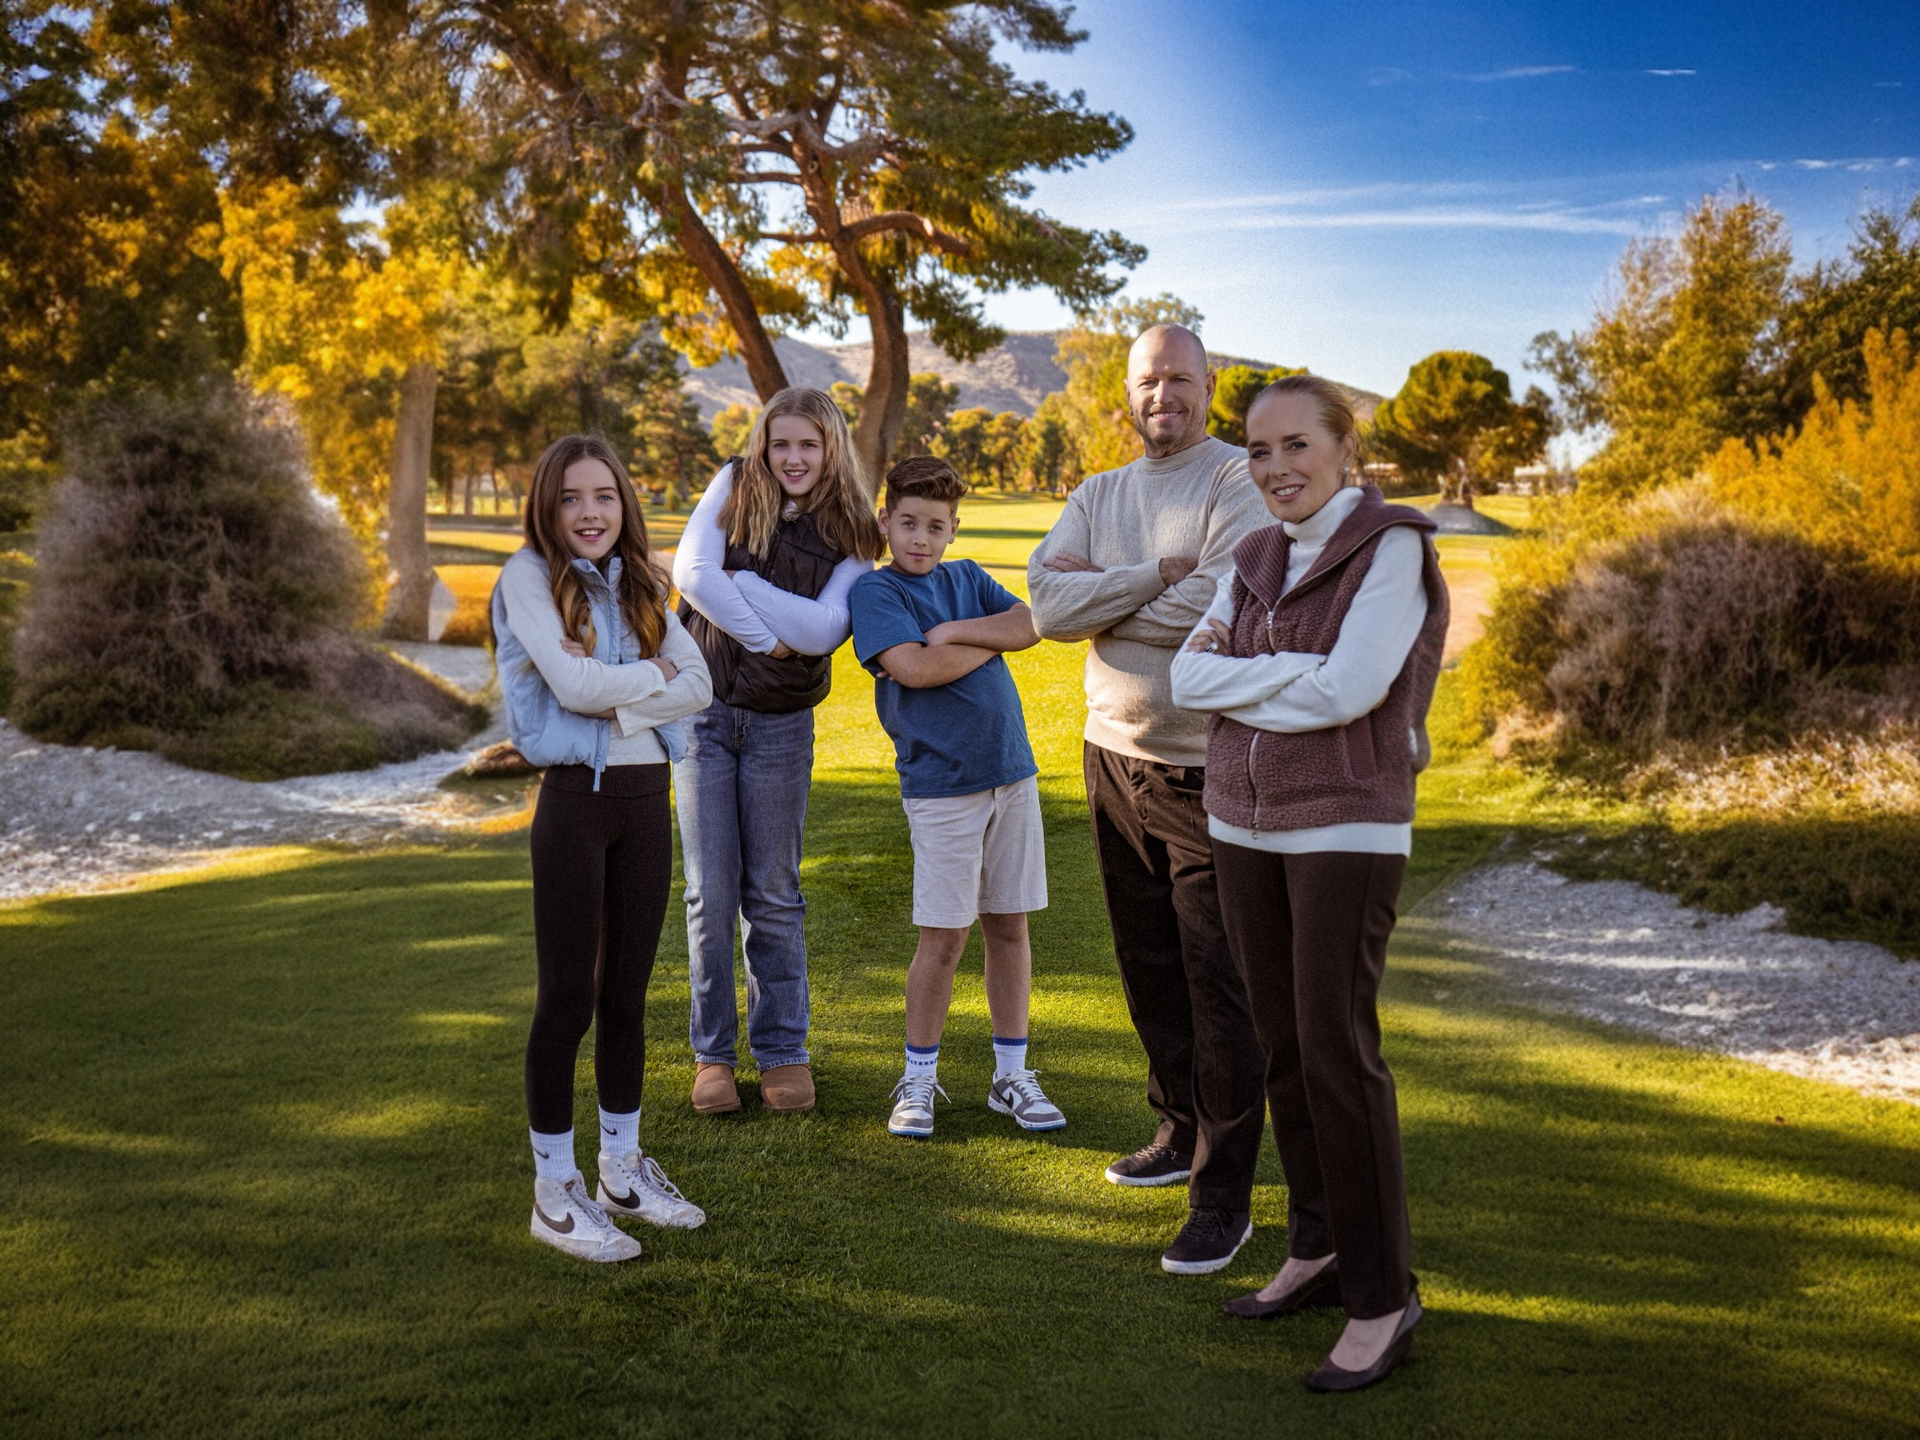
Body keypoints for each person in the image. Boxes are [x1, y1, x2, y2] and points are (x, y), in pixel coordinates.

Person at [1168, 374, 1448, 1391]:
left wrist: (1256, 680)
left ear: (1342, 451)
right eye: (1257, 450)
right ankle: (1319, 1247)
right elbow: (1185, 679)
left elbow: (1352, 688)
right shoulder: (1249, 558)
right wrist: (1286, 676)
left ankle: (1384, 1296)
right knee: (1283, 1046)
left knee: (1337, 1052)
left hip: (1345, 829)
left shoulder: (1393, 547)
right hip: (1241, 828)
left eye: (1296, 446)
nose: (1275, 467)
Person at [1026, 324, 1271, 1276]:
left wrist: (1107, 601)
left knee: (1219, 983)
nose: (1160, 393)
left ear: (1208, 386)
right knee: (1147, 963)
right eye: (1145, 380)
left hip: (1205, 768)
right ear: (1125, 394)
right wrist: (1148, 582)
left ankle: (1224, 1196)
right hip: (1110, 755)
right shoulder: (1097, 493)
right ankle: (1176, 1132)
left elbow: (1224, 606)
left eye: (1178, 378)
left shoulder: (1232, 482)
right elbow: (1048, 609)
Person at [491, 434, 716, 1263]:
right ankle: (555, 1195)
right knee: (567, 1001)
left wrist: (628, 691)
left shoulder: (649, 581)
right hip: (575, 808)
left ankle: (621, 1171)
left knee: (626, 996)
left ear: (625, 503)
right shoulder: (528, 578)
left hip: (645, 803)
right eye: (571, 499)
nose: (589, 514)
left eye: (604, 497)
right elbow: (572, 686)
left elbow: (703, 683)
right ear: (548, 509)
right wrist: (652, 682)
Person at [672, 388, 884, 1116]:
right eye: (780, 443)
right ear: (762, 444)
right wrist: (769, 636)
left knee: (773, 891)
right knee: (710, 893)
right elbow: (691, 577)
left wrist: (745, 583)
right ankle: (713, 1056)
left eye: (808, 445)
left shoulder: (856, 527)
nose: (792, 458)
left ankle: (783, 1051)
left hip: (780, 727)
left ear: (832, 449)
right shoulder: (733, 483)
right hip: (702, 716)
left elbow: (826, 631)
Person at [848, 457, 1065, 1140]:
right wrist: (980, 641)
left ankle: (1011, 1077)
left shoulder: (967, 577)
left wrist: (956, 631)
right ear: (885, 521)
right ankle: (918, 1078)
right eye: (907, 522)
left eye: (934, 527)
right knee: (943, 936)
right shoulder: (875, 593)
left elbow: (1030, 623)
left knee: (1010, 924)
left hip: (1012, 773)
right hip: (942, 788)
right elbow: (913, 667)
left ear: (953, 530)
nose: (920, 538)